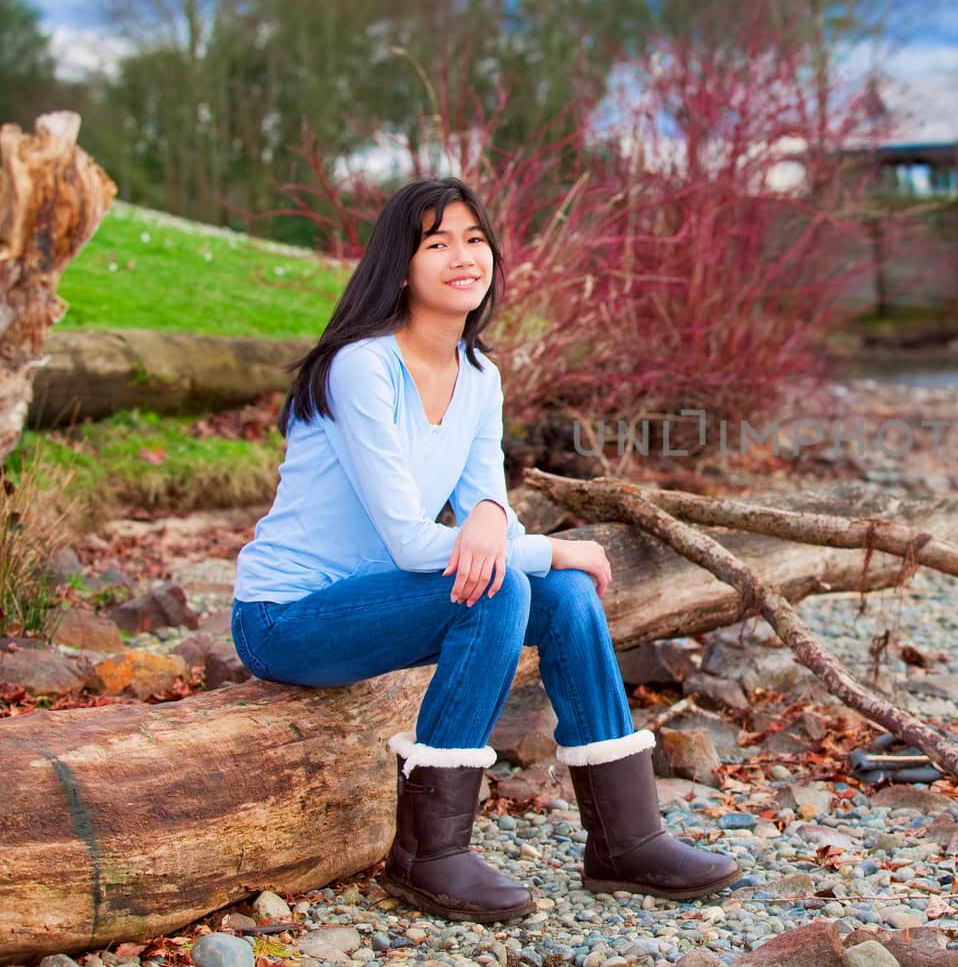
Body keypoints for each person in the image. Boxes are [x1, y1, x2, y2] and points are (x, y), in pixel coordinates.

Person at [231, 176, 740, 923]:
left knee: (563, 598)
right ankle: (427, 854)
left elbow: (482, 511)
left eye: (474, 239)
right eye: (437, 243)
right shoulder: (362, 367)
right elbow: (411, 540)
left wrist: (500, 519)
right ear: (400, 266)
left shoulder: (478, 374)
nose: (462, 256)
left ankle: (626, 839)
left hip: (383, 603)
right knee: (511, 585)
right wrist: (551, 547)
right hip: (287, 617)